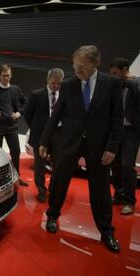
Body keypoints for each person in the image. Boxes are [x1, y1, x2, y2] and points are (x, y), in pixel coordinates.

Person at [39, 45, 123, 253]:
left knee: (101, 189)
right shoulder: (68, 85)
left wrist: (112, 147)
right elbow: (56, 115)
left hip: (99, 145)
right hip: (70, 143)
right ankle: (52, 216)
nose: (78, 70)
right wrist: (44, 141)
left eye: (83, 67)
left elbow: (117, 118)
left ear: (96, 63)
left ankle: (106, 231)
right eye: (75, 66)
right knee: (59, 181)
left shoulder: (111, 84)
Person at [24, 68, 64, 202]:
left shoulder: (64, 96)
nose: (55, 86)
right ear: (48, 80)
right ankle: (41, 190)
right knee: (40, 166)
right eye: (53, 83)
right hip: (40, 136)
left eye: (58, 84)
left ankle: (53, 188)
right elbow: (28, 114)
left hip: (58, 135)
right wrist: (36, 129)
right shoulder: (37, 95)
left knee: (57, 165)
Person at [109, 58, 140, 215]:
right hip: (116, 130)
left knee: (127, 166)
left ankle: (130, 201)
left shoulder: (136, 83)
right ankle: (119, 195)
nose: (113, 76)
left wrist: (131, 82)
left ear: (125, 70)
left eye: (115, 73)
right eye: (111, 73)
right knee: (114, 165)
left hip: (132, 131)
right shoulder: (115, 86)